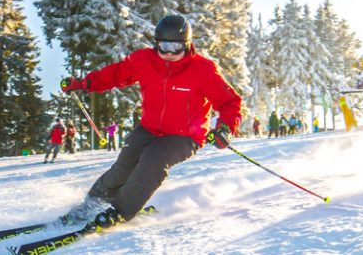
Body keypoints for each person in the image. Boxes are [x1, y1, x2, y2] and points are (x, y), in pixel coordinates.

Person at [60, 15, 242, 226]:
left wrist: (226, 128)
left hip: (184, 136)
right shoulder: (144, 60)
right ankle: (91, 204)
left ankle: (120, 211)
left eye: (176, 47)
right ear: (156, 43)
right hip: (149, 128)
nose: (169, 53)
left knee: (153, 160)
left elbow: (230, 102)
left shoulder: (203, 70)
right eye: (164, 46)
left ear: (187, 44)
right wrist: (83, 83)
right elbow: (114, 74)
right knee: (123, 166)